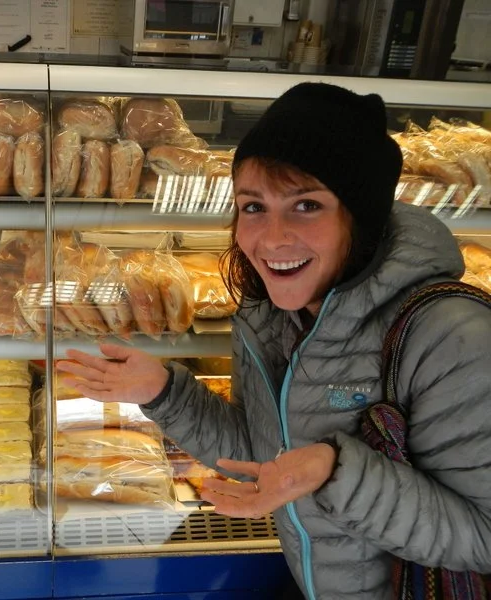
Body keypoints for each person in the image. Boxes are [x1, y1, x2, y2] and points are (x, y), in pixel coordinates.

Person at [57, 82, 491, 599]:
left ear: (362, 214)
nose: (272, 237)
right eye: (253, 206)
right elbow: (259, 455)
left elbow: (483, 539)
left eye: (306, 205)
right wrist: (163, 393)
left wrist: (334, 471)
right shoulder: (269, 314)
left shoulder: (449, 337)